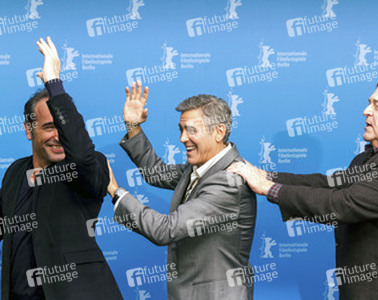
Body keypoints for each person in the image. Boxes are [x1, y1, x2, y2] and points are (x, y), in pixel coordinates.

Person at [228, 76, 378, 298]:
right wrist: (266, 175)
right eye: (369, 102)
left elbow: (344, 204)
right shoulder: (369, 159)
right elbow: (328, 185)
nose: (366, 110)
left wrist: (268, 187)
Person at [108, 82, 256, 300]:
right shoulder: (200, 167)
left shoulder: (228, 180)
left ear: (218, 132)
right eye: (181, 130)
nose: (182, 138)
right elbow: (155, 172)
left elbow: (165, 230)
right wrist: (133, 127)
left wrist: (115, 190)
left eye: (191, 130)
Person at [0, 37, 123, 300]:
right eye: (47, 127)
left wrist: (54, 84)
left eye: (61, 127)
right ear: (28, 130)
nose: (57, 136)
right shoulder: (14, 173)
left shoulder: (88, 166)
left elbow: (79, 154)